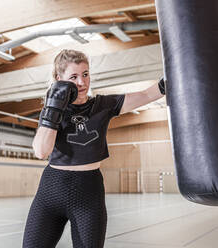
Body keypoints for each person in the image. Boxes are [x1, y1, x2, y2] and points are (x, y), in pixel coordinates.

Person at [22, 49, 165, 248]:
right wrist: (54, 108)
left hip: (88, 192)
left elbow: (146, 94)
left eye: (85, 74)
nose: (82, 82)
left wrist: (171, 77)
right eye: (73, 76)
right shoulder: (51, 110)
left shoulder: (103, 105)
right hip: (51, 190)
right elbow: (41, 152)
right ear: (59, 78)